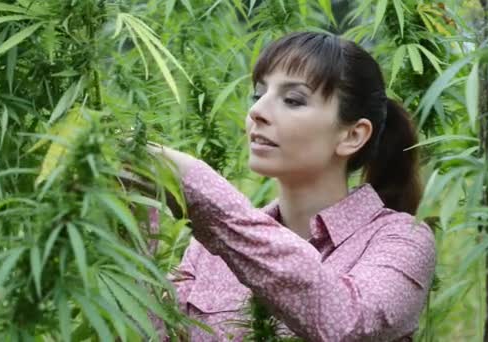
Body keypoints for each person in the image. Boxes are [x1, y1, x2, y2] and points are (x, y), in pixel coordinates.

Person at [145, 32, 436, 341]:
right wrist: (131, 213)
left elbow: (349, 324)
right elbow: (151, 334)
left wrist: (197, 186)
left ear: (352, 135)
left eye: (293, 100)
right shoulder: (209, 250)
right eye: (258, 95)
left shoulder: (402, 239)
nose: (257, 112)